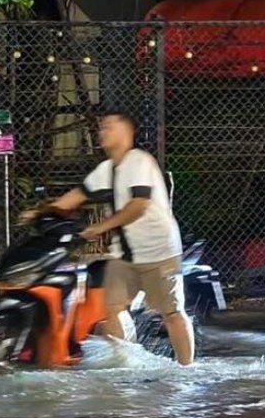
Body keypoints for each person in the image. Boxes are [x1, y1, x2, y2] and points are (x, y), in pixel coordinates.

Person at [22, 111, 194, 365]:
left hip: (158, 251)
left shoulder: (140, 161)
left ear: (126, 132)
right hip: (124, 254)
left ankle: (186, 368)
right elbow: (76, 196)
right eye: (101, 128)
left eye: (109, 127)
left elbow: (138, 206)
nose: (102, 132)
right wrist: (39, 212)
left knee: (171, 312)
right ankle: (128, 361)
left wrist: (100, 227)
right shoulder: (107, 169)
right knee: (113, 308)